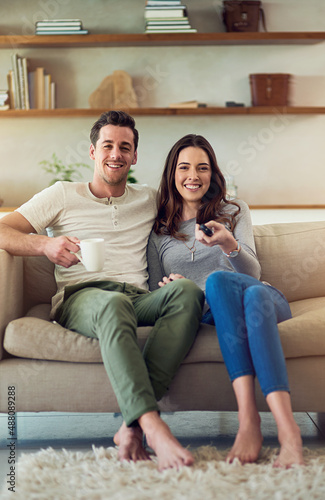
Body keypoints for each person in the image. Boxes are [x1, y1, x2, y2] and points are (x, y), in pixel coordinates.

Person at [0, 111, 204, 471]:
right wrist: (44, 247)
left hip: (139, 298)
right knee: (112, 304)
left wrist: (235, 237)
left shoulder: (149, 198)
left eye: (125, 147)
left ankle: (130, 425)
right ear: (92, 152)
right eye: (107, 145)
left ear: (135, 156)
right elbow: (4, 229)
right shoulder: (62, 194)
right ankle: (152, 425)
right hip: (84, 297)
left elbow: (194, 206)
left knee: (187, 292)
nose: (116, 154)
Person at [147, 133, 304, 468]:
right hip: (212, 313)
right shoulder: (159, 231)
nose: (194, 175)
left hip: (261, 297)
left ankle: (264, 426)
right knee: (217, 285)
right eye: (185, 167)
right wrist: (172, 288)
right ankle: (275, 429)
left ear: (212, 174)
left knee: (247, 288)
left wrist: (229, 244)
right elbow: (152, 292)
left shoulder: (234, 210)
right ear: (172, 174)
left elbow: (252, 271)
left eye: (202, 168)